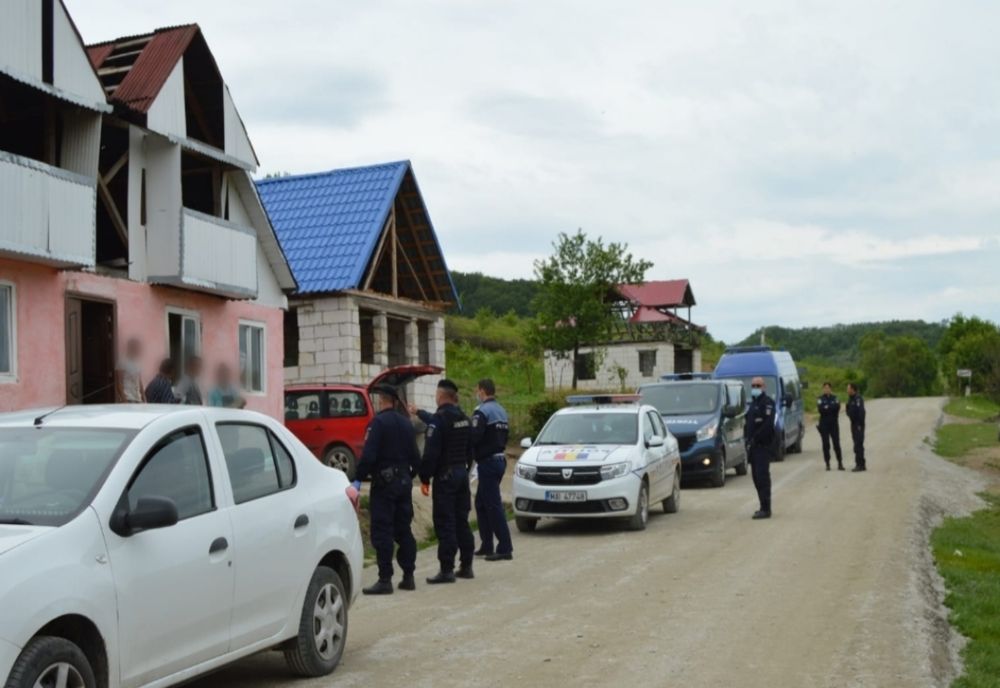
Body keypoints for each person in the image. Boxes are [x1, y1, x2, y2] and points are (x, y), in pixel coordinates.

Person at [352, 384, 420, 595]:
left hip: (384, 484)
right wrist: (410, 476)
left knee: (382, 530)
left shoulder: (378, 423)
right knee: (403, 530)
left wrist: (357, 479)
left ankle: (385, 579)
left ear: (383, 400)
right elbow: (416, 458)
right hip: (403, 483)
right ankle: (408, 576)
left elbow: (369, 456)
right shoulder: (407, 423)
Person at [414, 379, 475, 584]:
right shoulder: (464, 419)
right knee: (461, 521)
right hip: (461, 474)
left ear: (440, 396)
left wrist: (424, 478)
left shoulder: (438, 421)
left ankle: (446, 569)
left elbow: (430, 454)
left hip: (445, 478)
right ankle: (466, 565)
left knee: (445, 522)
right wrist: (465, 468)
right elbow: (470, 450)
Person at [470, 378, 513, 561]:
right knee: (481, 502)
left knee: (493, 505)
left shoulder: (482, 412)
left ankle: (504, 547)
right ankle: (487, 544)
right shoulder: (501, 411)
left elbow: (474, 437)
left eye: (477, 390)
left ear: (482, 391)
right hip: (499, 460)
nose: (476, 394)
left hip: (487, 462)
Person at [744, 376, 776, 519]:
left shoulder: (767, 403)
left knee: (763, 477)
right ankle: (762, 506)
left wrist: (755, 438)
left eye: (758, 386)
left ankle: (766, 508)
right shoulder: (753, 403)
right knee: (756, 478)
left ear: (763, 387)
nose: (755, 388)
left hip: (763, 446)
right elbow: (748, 424)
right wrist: (747, 439)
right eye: (753, 386)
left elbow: (768, 425)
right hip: (753, 448)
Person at [816, 382, 844, 471]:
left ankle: (840, 463)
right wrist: (830, 408)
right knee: (826, 444)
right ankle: (827, 463)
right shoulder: (820, 399)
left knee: (836, 444)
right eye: (825, 388)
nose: (826, 389)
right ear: (823, 389)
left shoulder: (835, 398)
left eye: (828, 388)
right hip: (824, 424)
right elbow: (821, 410)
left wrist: (827, 407)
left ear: (831, 389)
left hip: (834, 424)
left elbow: (837, 407)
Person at [115, 338, 145, 403]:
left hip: (138, 399)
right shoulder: (122, 362)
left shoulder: (137, 363)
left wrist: (144, 398)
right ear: (131, 347)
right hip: (128, 398)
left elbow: (139, 382)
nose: (138, 349)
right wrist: (124, 400)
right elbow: (119, 383)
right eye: (136, 347)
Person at [846, 383, 867, 472]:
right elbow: (848, 410)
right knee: (856, 444)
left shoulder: (858, 399)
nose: (847, 390)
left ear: (853, 389)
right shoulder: (850, 399)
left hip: (858, 425)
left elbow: (861, 412)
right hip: (853, 424)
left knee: (858, 445)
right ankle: (861, 463)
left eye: (848, 388)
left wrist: (859, 424)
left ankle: (860, 464)